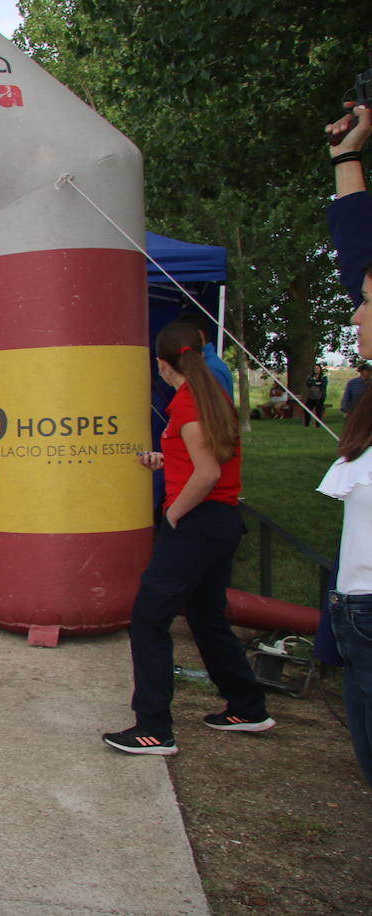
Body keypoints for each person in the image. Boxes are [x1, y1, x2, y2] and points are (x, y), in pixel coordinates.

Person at [103, 320, 273, 755]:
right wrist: (167, 461)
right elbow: (204, 456)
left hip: (198, 522)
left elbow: (209, 472)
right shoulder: (210, 395)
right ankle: (248, 705)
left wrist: (175, 512)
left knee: (148, 617)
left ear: (162, 364)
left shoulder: (188, 401)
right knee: (206, 614)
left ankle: (154, 729)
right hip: (219, 520)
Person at [318, 100, 372, 786]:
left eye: (364, 302)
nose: (355, 313)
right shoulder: (364, 399)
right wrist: (347, 156)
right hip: (356, 608)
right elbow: (357, 250)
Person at [173, 311, 234, 400]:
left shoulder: (211, 369)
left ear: (200, 336)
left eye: (184, 337)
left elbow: (214, 411)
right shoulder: (207, 365)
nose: (180, 344)